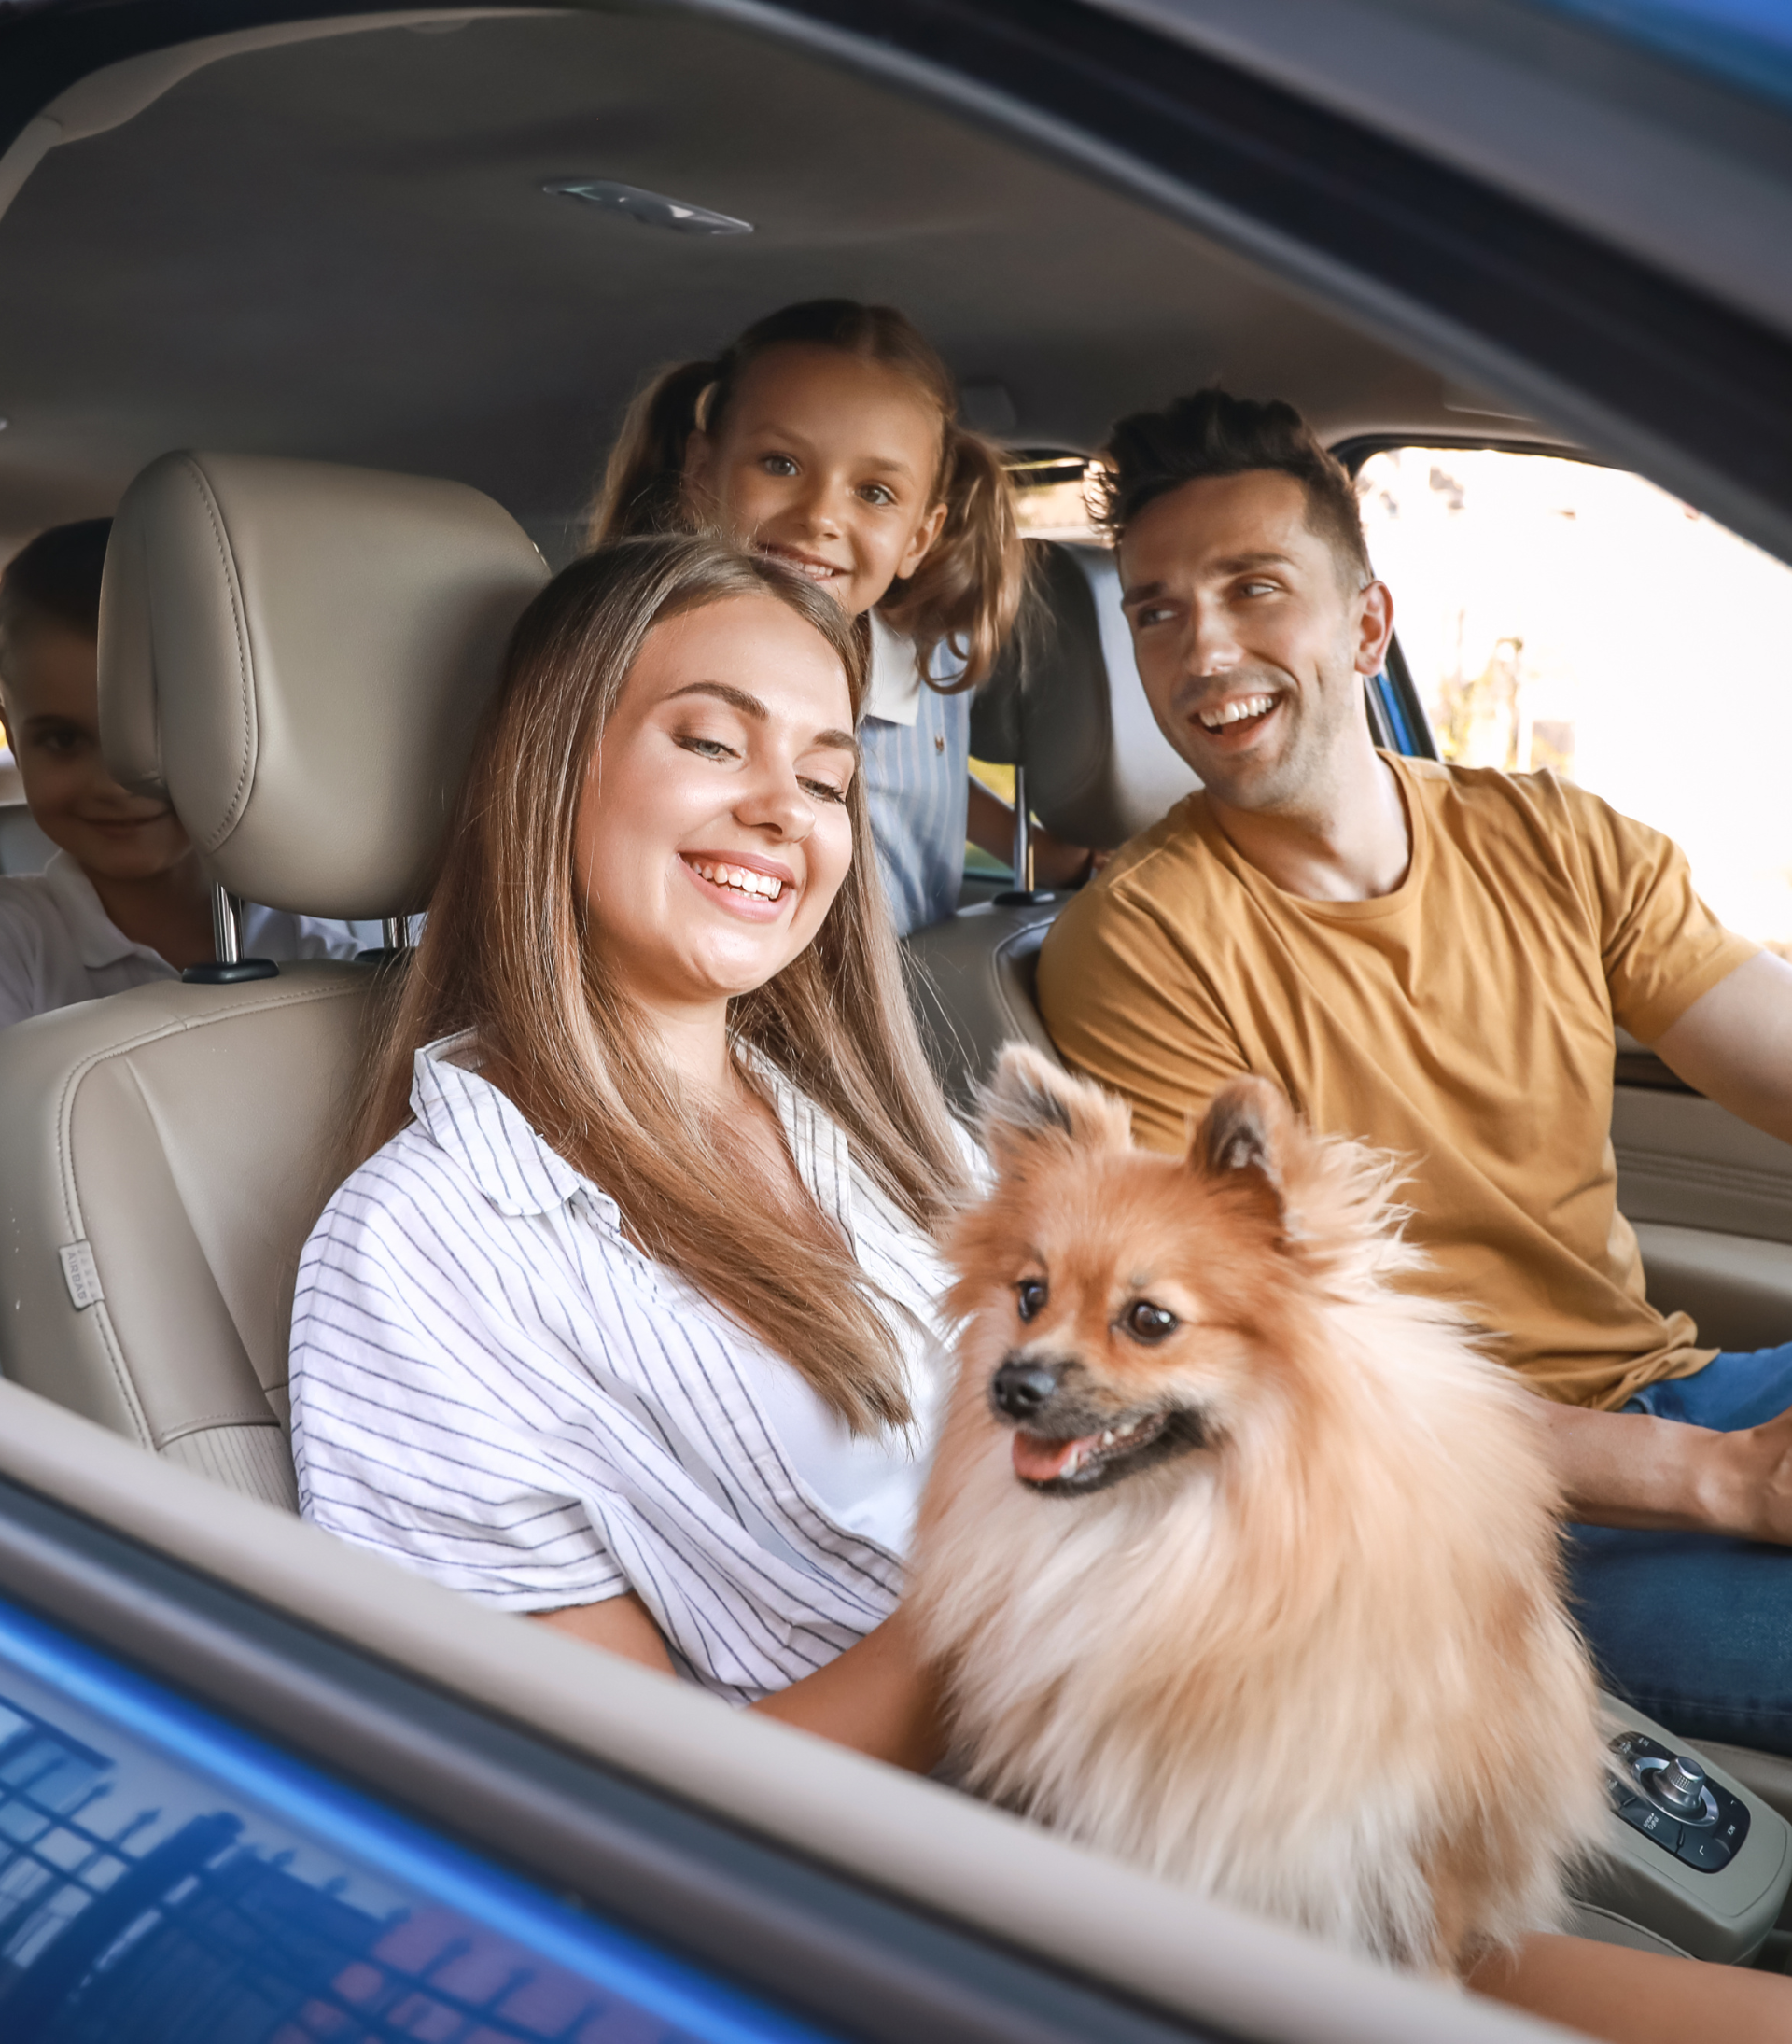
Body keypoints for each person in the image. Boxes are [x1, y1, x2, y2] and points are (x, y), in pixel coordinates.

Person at [288, 529, 1788, 2041]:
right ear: (548, 764)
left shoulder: (885, 1132)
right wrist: (1007, 1582)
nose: (780, 807)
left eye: (824, 773)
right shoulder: (423, 1251)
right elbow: (620, 1832)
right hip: (1018, 1916)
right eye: (709, 741)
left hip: (1272, 1810)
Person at [1035, 388, 1792, 1757]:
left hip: (1672, 1394)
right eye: (1156, 611)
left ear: (1367, 626)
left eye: (1254, 589)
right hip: (1453, 1511)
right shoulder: (1139, 947)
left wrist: (1714, 1450)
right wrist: (1715, 1481)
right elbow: (1254, 1370)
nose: (1204, 650)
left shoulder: (1554, 841)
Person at [586, 298, 1092, 935]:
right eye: (781, 464)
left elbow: (920, 788)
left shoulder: (922, 656)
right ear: (702, 470)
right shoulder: (641, 659)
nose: (821, 516)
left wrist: (1046, 857)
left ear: (918, 537)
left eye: (874, 493)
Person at [0, 520, 365, 1026]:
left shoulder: (318, 952)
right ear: (14, 740)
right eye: (63, 740)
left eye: (160, 734)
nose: (115, 785)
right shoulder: (15, 941)